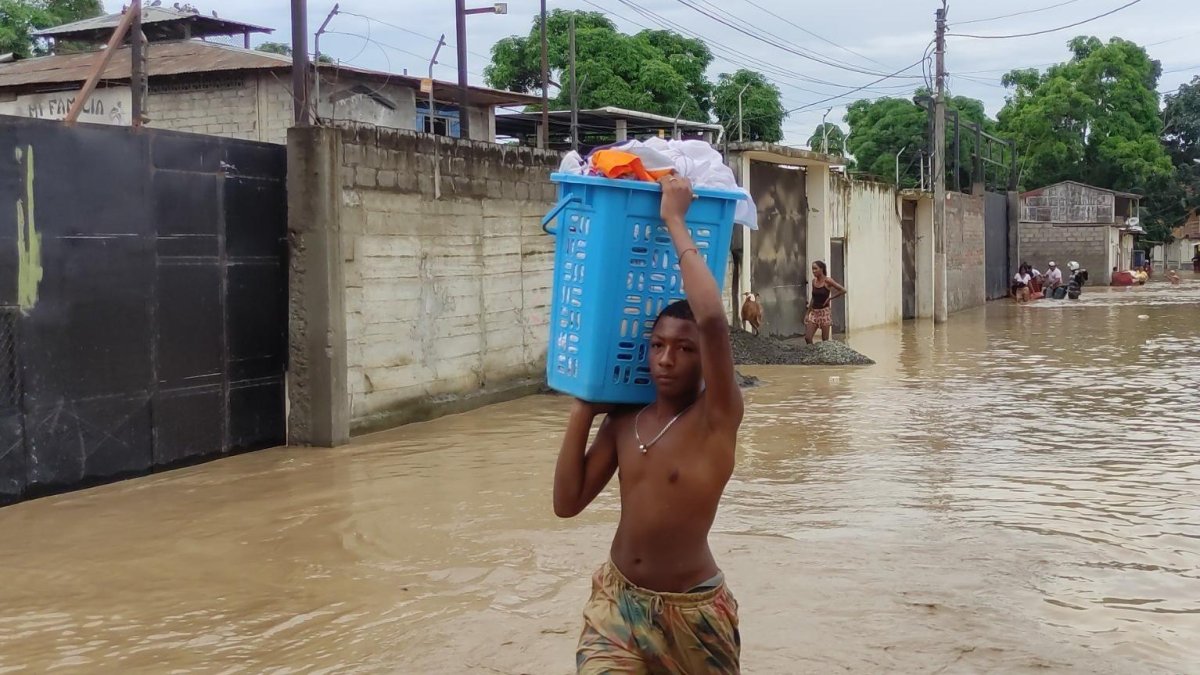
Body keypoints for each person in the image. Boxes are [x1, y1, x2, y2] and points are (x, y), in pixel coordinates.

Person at [554, 175, 744, 674]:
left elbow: (712, 319)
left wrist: (674, 219)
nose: (665, 359)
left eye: (683, 349)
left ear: (705, 359)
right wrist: (583, 408)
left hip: (693, 614)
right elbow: (566, 504)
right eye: (657, 345)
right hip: (617, 602)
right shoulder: (625, 420)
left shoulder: (716, 417)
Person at [804, 261, 846, 344]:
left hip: (824, 313)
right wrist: (807, 314)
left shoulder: (828, 281)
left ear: (821, 269)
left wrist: (830, 298)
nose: (813, 271)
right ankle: (812, 351)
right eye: (812, 269)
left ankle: (824, 352)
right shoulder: (814, 281)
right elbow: (813, 298)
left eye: (815, 269)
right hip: (814, 313)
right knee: (808, 338)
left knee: (825, 341)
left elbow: (843, 290)